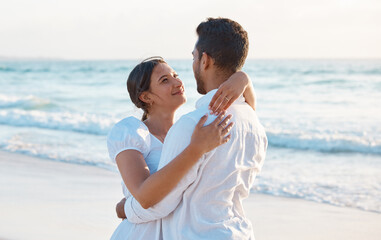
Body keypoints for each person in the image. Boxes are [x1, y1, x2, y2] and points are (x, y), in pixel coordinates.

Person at [115, 17, 267, 239]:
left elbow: (156, 204)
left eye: (194, 58)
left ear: (205, 60)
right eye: (165, 80)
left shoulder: (192, 127)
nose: (179, 81)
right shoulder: (253, 123)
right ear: (145, 97)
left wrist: (123, 208)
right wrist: (243, 78)